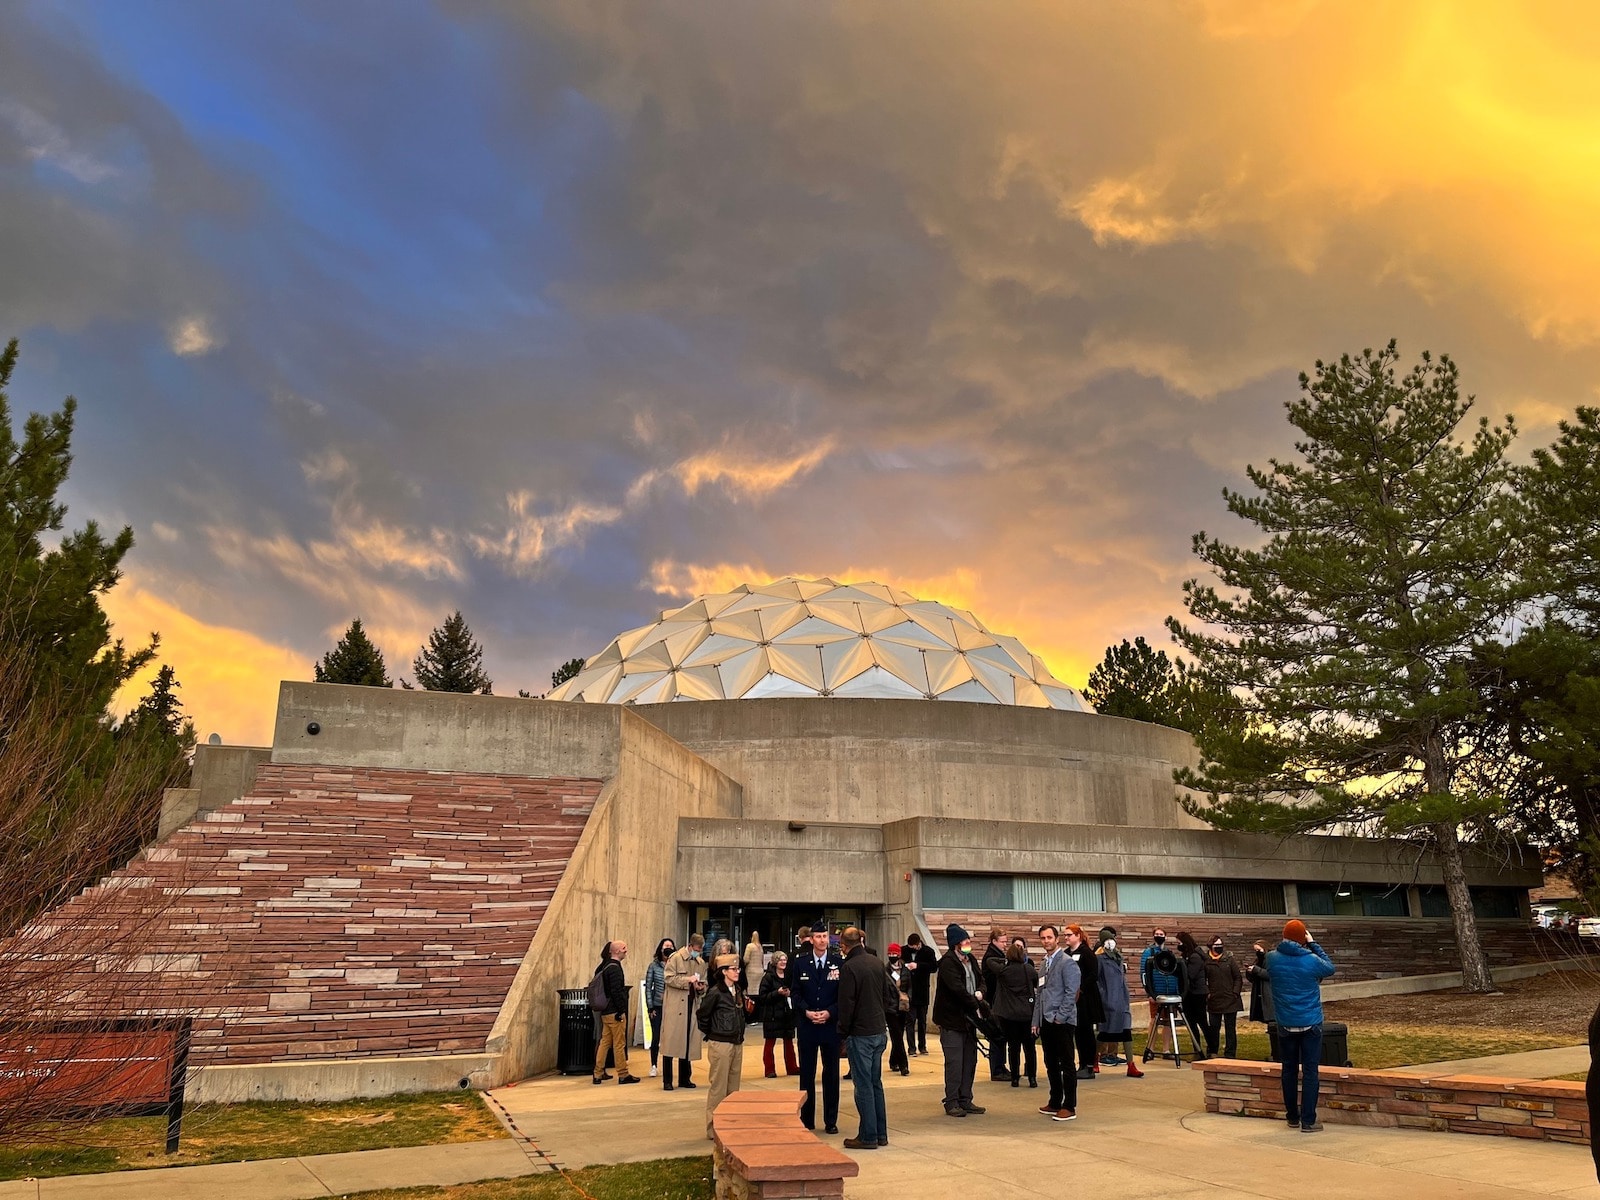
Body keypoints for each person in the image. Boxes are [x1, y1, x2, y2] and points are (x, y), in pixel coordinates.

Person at [1267, 919, 1336, 1133]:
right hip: (1310, 1022)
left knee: (1288, 1070)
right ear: (1303, 938)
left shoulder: (1272, 959)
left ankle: (1292, 1117)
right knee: (1310, 1072)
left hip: (1285, 1023)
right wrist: (1313, 943)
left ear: (1284, 936)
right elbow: (1330, 968)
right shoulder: (1312, 959)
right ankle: (1308, 1120)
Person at [837, 926, 898, 1150]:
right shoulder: (875, 962)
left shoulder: (849, 967)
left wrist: (842, 1031)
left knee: (863, 1086)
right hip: (878, 1030)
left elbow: (846, 1005)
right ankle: (880, 1133)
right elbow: (887, 996)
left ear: (844, 945)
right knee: (875, 1084)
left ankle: (868, 1135)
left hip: (860, 1033)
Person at [790, 921, 843, 1134]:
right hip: (808, 1026)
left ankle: (831, 1121)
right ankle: (807, 1119)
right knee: (807, 1075)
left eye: (825, 937)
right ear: (811, 939)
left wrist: (830, 1012)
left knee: (831, 1075)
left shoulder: (838, 962)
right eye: (818, 937)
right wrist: (806, 1011)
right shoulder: (800, 962)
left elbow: (843, 996)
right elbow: (795, 993)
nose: (822, 940)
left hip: (830, 1027)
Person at [933, 923, 989, 1118]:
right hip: (952, 1020)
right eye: (965, 941)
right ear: (956, 944)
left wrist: (980, 993)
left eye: (968, 941)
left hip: (969, 1020)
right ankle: (952, 1101)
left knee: (969, 1061)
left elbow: (981, 979)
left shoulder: (971, 959)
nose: (968, 944)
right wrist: (974, 1001)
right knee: (955, 1062)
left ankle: (966, 1098)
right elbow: (957, 990)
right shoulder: (948, 963)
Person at [1031, 923, 1080, 1121]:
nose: (1046, 941)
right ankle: (1055, 1101)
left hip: (1063, 1021)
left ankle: (1069, 1105)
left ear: (1056, 938)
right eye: (1043, 938)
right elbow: (1040, 994)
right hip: (1046, 1021)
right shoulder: (1044, 964)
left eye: (1049, 937)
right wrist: (1036, 1020)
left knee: (1066, 1063)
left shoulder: (1067, 962)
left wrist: (1060, 1017)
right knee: (1050, 1062)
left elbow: (1072, 993)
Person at [697, 953, 748, 1139]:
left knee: (733, 1088)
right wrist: (711, 1034)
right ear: (723, 971)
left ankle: (731, 1124)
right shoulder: (716, 992)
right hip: (721, 1043)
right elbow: (702, 1015)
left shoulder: (737, 990)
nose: (737, 972)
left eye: (738, 969)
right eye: (733, 969)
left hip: (736, 1042)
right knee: (718, 1088)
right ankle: (713, 1128)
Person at [1094, 926, 1143, 1078]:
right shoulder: (1099, 959)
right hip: (1108, 1001)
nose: (1111, 943)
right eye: (1107, 940)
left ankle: (1131, 1065)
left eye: (1112, 940)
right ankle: (1094, 1061)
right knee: (1104, 1034)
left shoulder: (1118, 957)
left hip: (1122, 1000)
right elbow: (1097, 980)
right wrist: (1103, 996)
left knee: (1126, 1032)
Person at [661, 934, 706, 1090]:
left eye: (700, 950)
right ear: (690, 946)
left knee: (688, 1042)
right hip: (675, 1005)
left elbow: (703, 982)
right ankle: (667, 1080)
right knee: (671, 1043)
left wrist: (701, 988)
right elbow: (668, 978)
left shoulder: (700, 963)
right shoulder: (675, 958)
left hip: (691, 1005)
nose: (698, 952)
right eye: (696, 949)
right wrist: (687, 980)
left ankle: (685, 1078)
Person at [592, 941, 641, 1085]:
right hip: (614, 1011)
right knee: (619, 1043)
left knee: (605, 1042)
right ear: (617, 951)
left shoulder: (605, 966)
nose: (626, 950)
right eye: (624, 948)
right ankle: (623, 1073)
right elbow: (616, 991)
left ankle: (598, 1073)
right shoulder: (615, 968)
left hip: (605, 1011)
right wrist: (621, 1011)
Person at [992, 937, 1038, 1088]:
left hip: (1009, 1014)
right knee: (1029, 1047)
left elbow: (989, 961)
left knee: (1013, 1047)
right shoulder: (1029, 970)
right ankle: (1032, 1077)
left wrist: (1004, 961)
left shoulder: (1003, 971)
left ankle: (1014, 1078)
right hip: (1026, 1013)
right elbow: (1036, 983)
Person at [1063, 925, 1102, 1081]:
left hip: (1085, 999)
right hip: (1072, 1000)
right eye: (1065, 935)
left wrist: (1081, 989)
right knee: (1077, 1032)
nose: (1066, 938)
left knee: (1086, 1032)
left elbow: (1093, 975)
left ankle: (1090, 1066)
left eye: (1069, 935)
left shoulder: (1086, 953)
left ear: (1078, 936)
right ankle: (1082, 1064)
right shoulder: (1065, 954)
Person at [1139, 927, 1181, 1062]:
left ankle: (1166, 1049)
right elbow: (1144, 973)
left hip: (1169, 992)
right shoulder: (1148, 952)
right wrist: (1149, 992)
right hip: (1156, 992)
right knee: (1154, 1021)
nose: (1159, 936)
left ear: (1166, 937)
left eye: (1161, 934)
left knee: (1169, 1021)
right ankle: (1150, 1048)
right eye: (1157, 934)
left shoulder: (1169, 953)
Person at [1202, 935, 1245, 1058]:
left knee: (1230, 1029)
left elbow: (1238, 978)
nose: (1219, 947)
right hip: (1214, 1000)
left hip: (1231, 1000)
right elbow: (1202, 979)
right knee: (1214, 1028)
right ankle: (1212, 1051)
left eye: (1221, 945)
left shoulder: (1229, 960)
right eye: (1216, 945)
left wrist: (1235, 992)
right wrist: (1207, 993)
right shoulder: (1206, 961)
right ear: (1211, 946)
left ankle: (1230, 1054)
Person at [758, 951, 799, 1077]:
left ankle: (792, 1068)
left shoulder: (789, 976)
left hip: (787, 1014)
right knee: (770, 1043)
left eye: (785, 960)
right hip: (772, 1014)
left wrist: (790, 993)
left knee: (789, 1042)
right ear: (775, 962)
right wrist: (777, 993)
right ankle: (769, 1069)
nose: (783, 962)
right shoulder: (768, 977)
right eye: (781, 960)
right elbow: (763, 997)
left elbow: (796, 991)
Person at [981, 928, 1012, 1081]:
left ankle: (1000, 1065)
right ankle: (997, 1068)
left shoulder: (997, 955)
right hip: (994, 1000)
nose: (1005, 945)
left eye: (1006, 941)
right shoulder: (992, 958)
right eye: (1002, 942)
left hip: (996, 1000)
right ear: (994, 941)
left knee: (1000, 1035)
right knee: (997, 1035)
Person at [1176, 931, 1209, 1060]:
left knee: (1202, 1022)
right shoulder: (1188, 956)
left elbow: (1190, 975)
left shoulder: (1195, 957)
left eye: (1179, 943)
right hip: (1189, 994)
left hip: (1197, 994)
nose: (1178, 945)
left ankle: (1210, 1048)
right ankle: (1197, 1049)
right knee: (1191, 1024)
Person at [644, 937, 675, 1078]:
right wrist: (650, 1007)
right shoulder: (654, 966)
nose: (668, 948)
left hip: (672, 1006)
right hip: (657, 1005)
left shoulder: (676, 964)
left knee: (670, 1037)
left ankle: (668, 1066)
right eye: (665, 946)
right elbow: (648, 987)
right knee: (656, 1036)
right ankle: (653, 1065)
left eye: (670, 946)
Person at [902, 933, 936, 1055]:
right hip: (909, 990)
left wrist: (918, 966)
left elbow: (933, 967)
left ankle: (922, 1045)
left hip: (922, 990)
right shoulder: (904, 950)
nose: (912, 948)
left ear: (918, 944)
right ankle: (911, 1047)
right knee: (910, 1021)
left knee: (922, 1021)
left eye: (914, 946)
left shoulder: (928, 952)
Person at [885, 943, 911, 1076]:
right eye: (889, 954)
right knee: (897, 1036)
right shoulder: (885, 971)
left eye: (894, 954)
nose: (891, 956)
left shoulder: (906, 970)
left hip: (903, 1007)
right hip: (890, 1009)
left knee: (899, 1035)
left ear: (899, 954)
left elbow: (910, 987)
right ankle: (903, 1065)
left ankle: (893, 1060)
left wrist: (907, 998)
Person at [1246, 941, 1276, 1036]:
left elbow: (1271, 975)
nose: (1257, 952)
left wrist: (1256, 970)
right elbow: (1254, 978)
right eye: (1255, 950)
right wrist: (1250, 972)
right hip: (1260, 992)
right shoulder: (1258, 960)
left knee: (1272, 1020)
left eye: (1258, 950)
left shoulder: (1271, 959)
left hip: (1269, 993)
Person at [742, 930, 765, 995]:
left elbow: (746, 959)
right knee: (757, 990)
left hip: (751, 972)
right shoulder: (760, 947)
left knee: (750, 991)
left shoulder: (749, 946)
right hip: (760, 971)